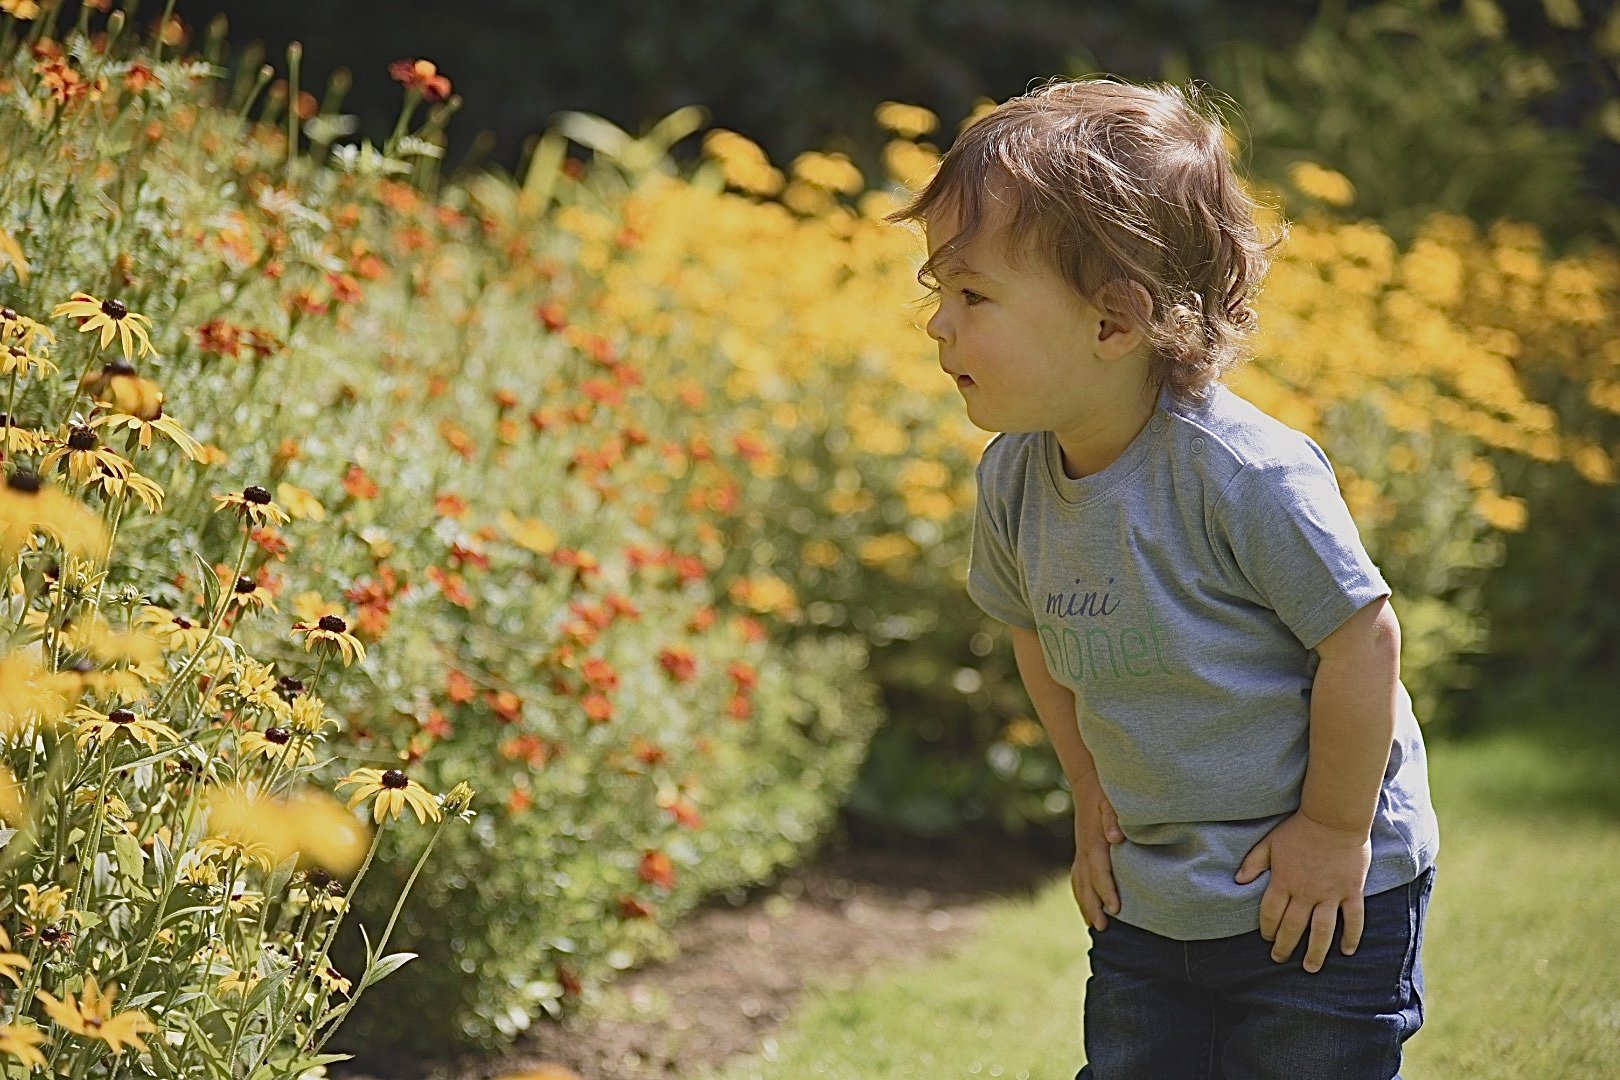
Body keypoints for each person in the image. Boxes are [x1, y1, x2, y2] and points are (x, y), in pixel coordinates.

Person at [886, 77, 1440, 1079]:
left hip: (1311, 892)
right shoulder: (1014, 476)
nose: (939, 325)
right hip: (1154, 893)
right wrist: (1089, 784)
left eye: (972, 295)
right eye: (938, 293)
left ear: (1113, 323)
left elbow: (1362, 637)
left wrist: (1331, 829)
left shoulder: (1240, 472)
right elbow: (1034, 636)